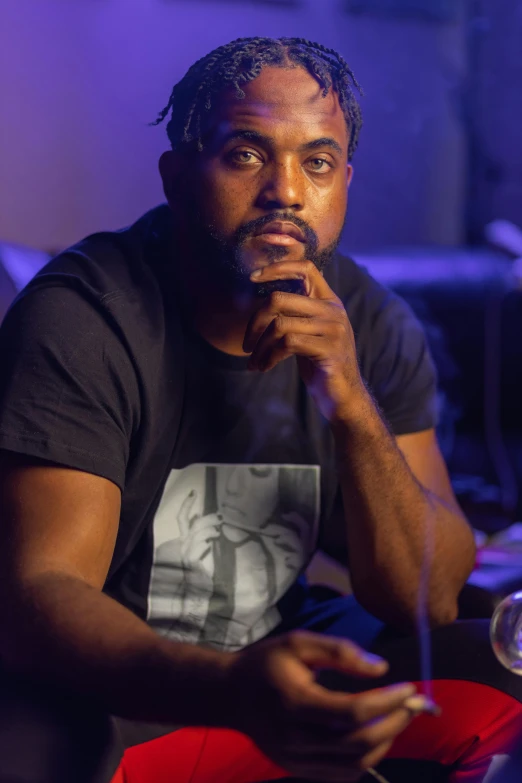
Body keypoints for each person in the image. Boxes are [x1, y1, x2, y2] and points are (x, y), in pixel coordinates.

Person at [0, 36, 520, 783]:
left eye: (315, 162)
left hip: (280, 651)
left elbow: (427, 599)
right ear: (177, 178)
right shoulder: (85, 316)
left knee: (502, 680)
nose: (285, 190)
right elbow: (37, 601)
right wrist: (228, 689)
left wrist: (351, 401)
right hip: (127, 693)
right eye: (246, 153)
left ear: (343, 181)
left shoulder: (370, 321)